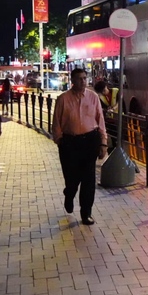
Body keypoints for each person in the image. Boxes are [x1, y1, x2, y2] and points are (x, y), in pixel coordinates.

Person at [52, 68, 108, 225]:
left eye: (85, 78)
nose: (83, 81)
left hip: (90, 140)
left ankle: (86, 213)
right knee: (72, 178)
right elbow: (56, 123)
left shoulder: (93, 97)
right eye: (79, 79)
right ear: (72, 81)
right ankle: (69, 194)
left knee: (88, 179)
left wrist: (103, 142)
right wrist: (59, 141)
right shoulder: (63, 99)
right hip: (70, 143)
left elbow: (100, 120)